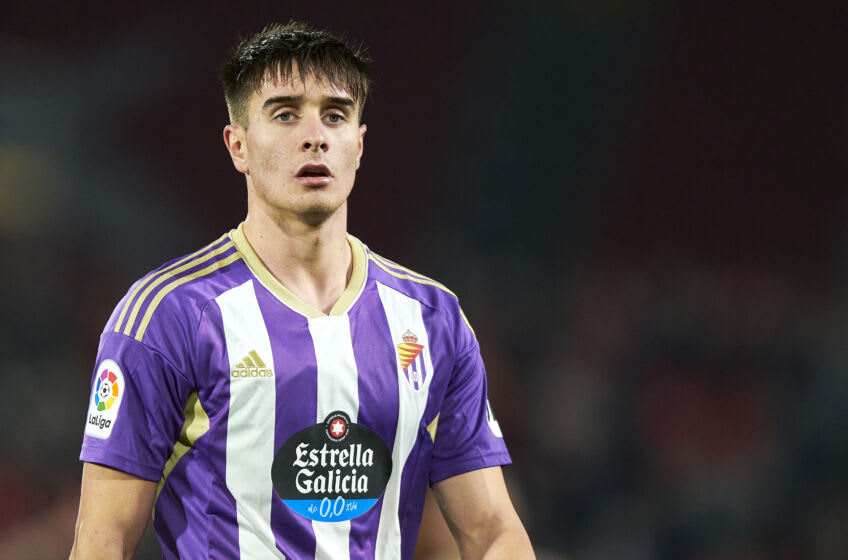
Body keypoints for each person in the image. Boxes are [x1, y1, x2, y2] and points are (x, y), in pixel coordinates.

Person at [70, 21, 534, 560]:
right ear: (237, 144)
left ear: (358, 146)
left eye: (335, 115)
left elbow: (493, 530)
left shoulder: (432, 319)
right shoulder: (169, 315)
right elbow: (102, 538)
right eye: (285, 114)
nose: (315, 135)